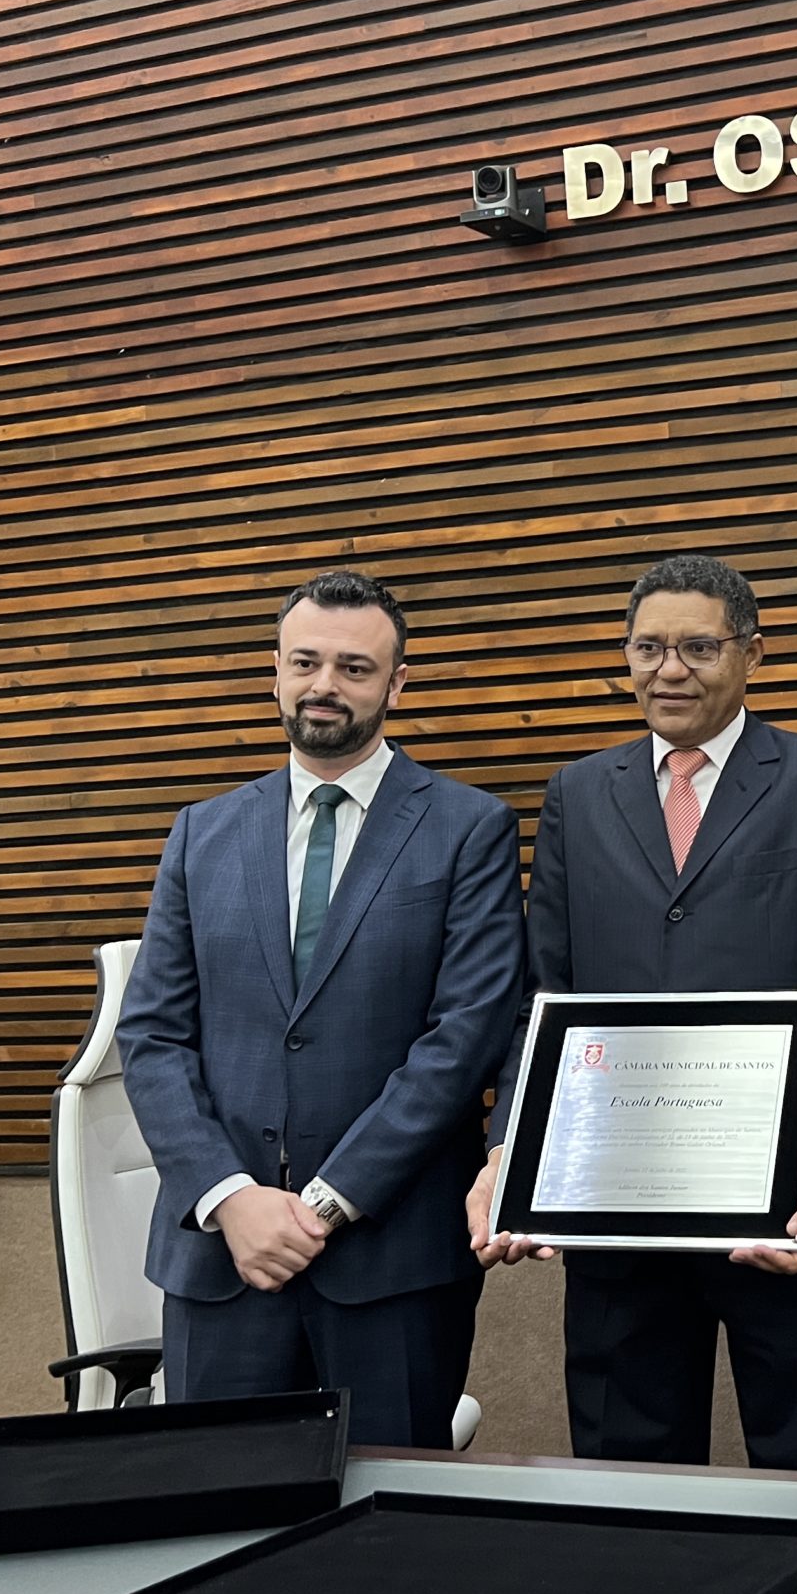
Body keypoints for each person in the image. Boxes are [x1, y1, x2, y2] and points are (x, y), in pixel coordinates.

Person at [467, 554, 797, 1473]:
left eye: (698, 647)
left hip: (779, 1205)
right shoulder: (578, 793)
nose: (670, 670)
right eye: (648, 648)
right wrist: (513, 1152)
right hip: (618, 1217)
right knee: (627, 1480)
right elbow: (544, 999)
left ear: (751, 654)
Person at [117, 570, 527, 1449]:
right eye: (305, 662)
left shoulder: (470, 829)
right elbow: (151, 1036)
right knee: (214, 1513)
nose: (324, 685)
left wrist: (329, 1203)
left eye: (354, 667)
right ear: (275, 670)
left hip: (392, 1266)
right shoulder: (200, 833)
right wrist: (231, 1198)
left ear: (397, 683)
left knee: (385, 1520)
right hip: (224, 1261)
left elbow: (465, 1037)